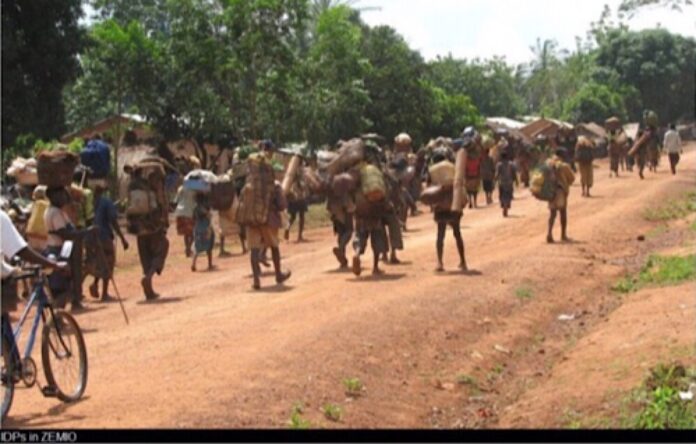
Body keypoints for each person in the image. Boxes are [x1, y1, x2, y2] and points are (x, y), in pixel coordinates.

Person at [246, 142, 291, 290]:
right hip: (268, 218)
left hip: (251, 218)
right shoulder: (273, 184)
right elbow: (282, 205)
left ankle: (256, 280)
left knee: (253, 249)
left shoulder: (250, 183)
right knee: (274, 246)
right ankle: (278, 274)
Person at [44, 187, 85, 312]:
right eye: (60, 194)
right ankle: (57, 317)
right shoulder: (55, 212)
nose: (64, 197)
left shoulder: (53, 210)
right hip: (59, 250)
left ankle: (58, 317)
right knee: (62, 287)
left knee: (60, 286)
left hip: (55, 248)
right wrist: (85, 232)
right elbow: (64, 233)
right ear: (53, 196)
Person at [428, 147, 467, 272]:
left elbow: (429, 187)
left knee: (440, 235)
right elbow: (460, 183)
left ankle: (439, 262)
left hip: (440, 205)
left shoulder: (432, 170)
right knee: (457, 233)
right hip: (453, 203)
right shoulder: (453, 167)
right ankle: (463, 261)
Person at [89, 184, 129, 301]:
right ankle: (104, 293)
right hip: (104, 235)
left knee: (99, 261)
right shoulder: (106, 202)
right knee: (108, 262)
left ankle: (95, 283)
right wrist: (122, 238)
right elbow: (113, 220)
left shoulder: (91, 203)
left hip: (92, 236)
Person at [545, 148, 576, 243]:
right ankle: (563, 235)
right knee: (563, 212)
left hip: (550, 191)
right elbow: (571, 178)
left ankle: (549, 233)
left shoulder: (548, 164)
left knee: (552, 214)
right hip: (560, 191)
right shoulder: (564, 166)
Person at [285, 159, 309, 243]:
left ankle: (287, 228)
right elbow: (299, 181)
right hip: (299, 195)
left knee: (293, 216)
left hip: (292, 195)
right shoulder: (299, 169)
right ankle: (299, 236)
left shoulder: (291, 168)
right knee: (301, 216)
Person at [191, 193, 215, 272]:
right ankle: (210, 264)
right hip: (206, 228)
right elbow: (209, 216)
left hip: (198, 228)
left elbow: (193, 218)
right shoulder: (204, 208)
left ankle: (193, 264)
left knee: (197, 246)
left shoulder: (195, 208)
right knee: (209, 247)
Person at [174, 185, 196, 257]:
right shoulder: (194, 189)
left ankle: (187, 248)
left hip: (180, 211)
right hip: (189, 211)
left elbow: (176, 200)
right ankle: (188, 248)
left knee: (186, 233)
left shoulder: (180, 188)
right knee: (193, 232)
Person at [495, 151, 518, 217]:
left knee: (501, 196)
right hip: (509, 183)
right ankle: (506, 206)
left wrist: (495, 180)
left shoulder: (499, 165)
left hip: (501, 183)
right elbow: (514, 173)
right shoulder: (511, 164)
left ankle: (504, 206)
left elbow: (497, 174)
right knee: (508, 195)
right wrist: (516, 181)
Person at [480, 140, 496, 206]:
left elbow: (481, 167)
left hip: (485, 175)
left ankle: (488, 197)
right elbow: (493, 166)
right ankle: (489, 197)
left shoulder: (482, 159)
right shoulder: (490, 159)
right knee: (490, 187)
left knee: (486, 187)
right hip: (489, 175)